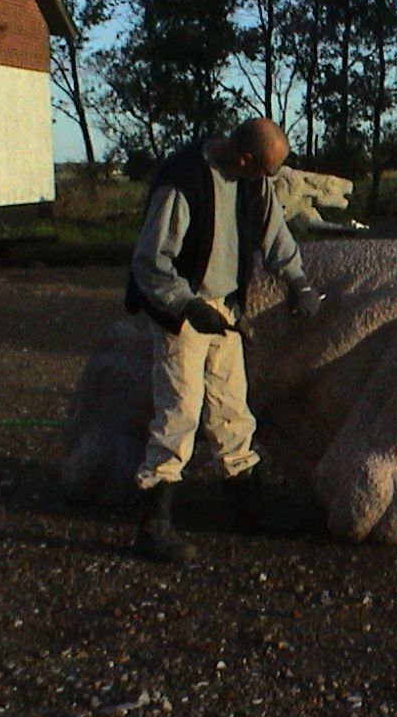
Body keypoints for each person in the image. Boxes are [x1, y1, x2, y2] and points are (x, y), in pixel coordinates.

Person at [124, 117, 323, 562]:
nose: (269, 179)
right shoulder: (183, 182)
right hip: (182, 311)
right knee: (180, 411)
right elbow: (150, 262)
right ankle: (153, 521)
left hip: (225, 308)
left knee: (232, 407)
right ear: (245, 158)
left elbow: (275, 233)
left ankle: (247, 499)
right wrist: (187, 305)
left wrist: (298, 281)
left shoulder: (253, 182)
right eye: (265, 170)